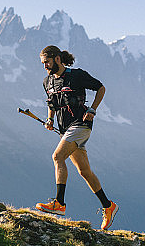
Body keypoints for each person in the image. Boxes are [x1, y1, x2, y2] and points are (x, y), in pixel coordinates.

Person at [35, 45, 119, 230]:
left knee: (57, 157)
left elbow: (100, 88)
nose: (45, 66)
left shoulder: (77, 75)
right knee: (84, 172)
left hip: (81, 125)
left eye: (47, 62)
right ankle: (108, 206)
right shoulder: (47, 81)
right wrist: (49, 120)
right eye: (43, 64)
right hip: (65, 129)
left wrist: (92, 110)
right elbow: (52, 103)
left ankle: (59, 203)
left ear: (57, 59)